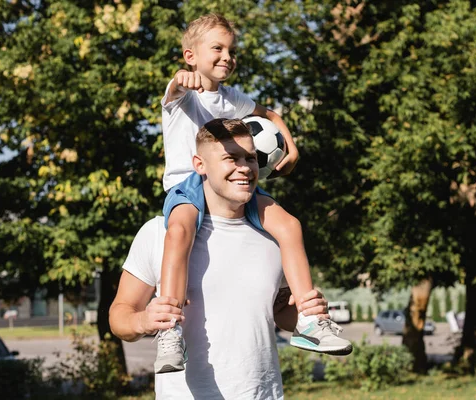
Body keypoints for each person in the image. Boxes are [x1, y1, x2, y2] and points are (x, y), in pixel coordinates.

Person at [156, 14, 352, 372]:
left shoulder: (232, 99)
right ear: (190, 56)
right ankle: (170, 330)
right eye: (217, 48)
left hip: (236, 184)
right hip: (190, 186)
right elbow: (176, 88)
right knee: (180, 230)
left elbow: (271, 114)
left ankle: (308, 321)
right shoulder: (181, 94)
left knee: (289, 224)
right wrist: (182, 80)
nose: (226, 56)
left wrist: (290, 146)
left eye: (231, 50)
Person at [109, 119, 338, 399]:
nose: (244, 168)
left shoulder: (273, 237)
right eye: (231, 158)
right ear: (200, 165)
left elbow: (279, 311)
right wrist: (144, 321)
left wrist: (306, 310)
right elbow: (119, 315)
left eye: (250, 159)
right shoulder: (159, 232)